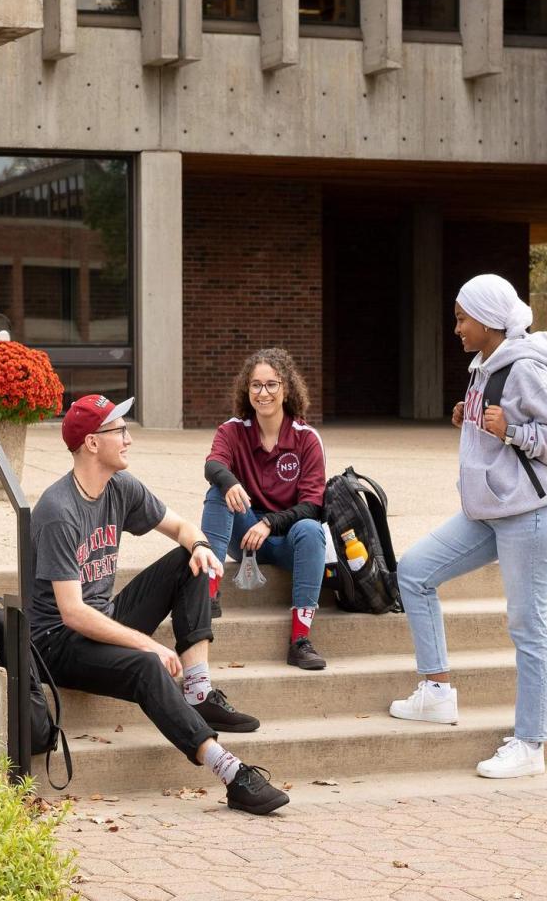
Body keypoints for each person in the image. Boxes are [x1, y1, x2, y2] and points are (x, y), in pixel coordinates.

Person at [30, 394, 288, 814]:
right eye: (120, 431)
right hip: (57, 642)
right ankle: (231, 773)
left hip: (104, 616)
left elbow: (183, 527)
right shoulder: (59, 510)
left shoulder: (120, 488)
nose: (129, 439)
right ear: (93, 443)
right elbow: (72, 613)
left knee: (191, 558)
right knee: (147, 666)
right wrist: (148, 644)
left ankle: (199, 689)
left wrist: (201, 546)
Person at [388, 274, 547, 780]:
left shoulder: (523, 368)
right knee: (414, 571)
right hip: (488, 513)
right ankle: (436, 691)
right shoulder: (484, 367)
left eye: (461, 318)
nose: (455, 328)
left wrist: (512, 430)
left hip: (529, 515)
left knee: (527, 627)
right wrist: (471, 418)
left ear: (490, 320)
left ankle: (530, 744)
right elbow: (495, 427)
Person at [202, 348, 330, 671]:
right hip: (244, 537)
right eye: (256, 385)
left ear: (286, 388)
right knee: (219, 490)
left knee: (312, 530)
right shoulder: (232, 430)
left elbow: (313, 505)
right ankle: (207, 596)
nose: (264, 393)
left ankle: (300, 641)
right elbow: (213, 464)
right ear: (247, 390)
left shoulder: (307, 439)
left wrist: (270, 523)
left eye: (271, 384)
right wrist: (230, 482)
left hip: (288, 541)